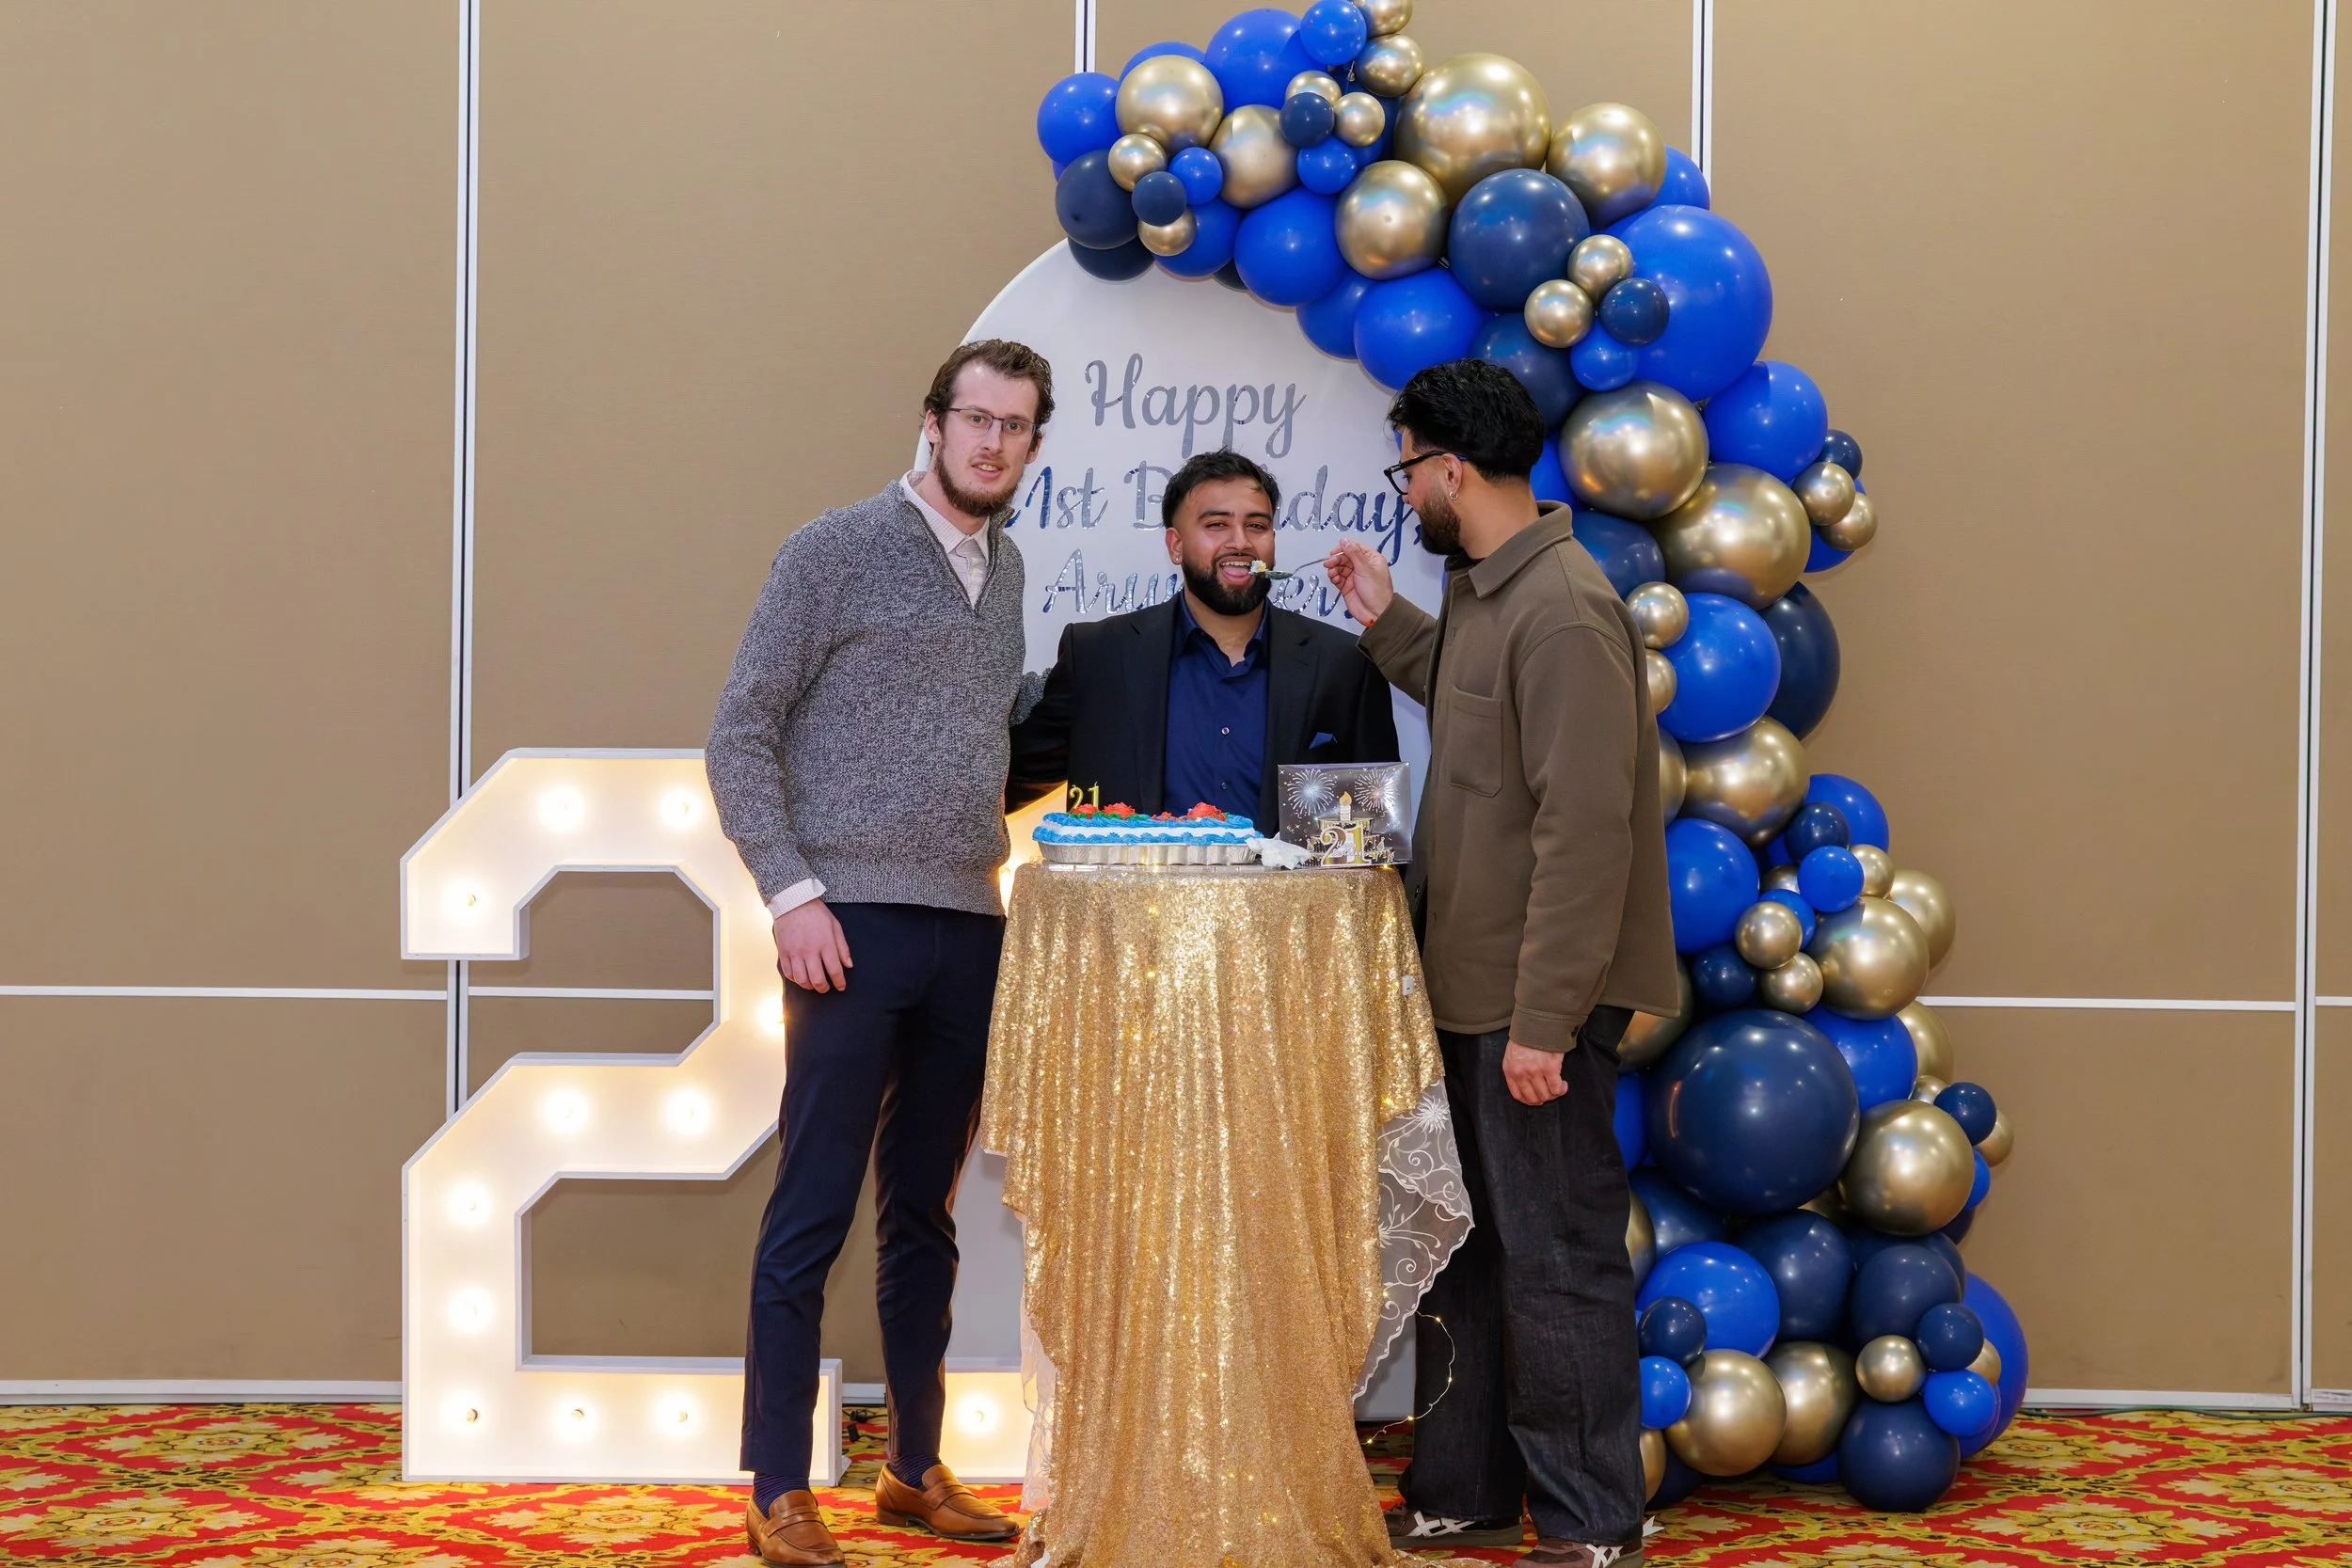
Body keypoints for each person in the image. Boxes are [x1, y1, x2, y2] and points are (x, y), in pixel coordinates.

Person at [1324, 360, 1678, 1568]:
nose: (1405, 489)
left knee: (1557, 1261)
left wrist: (1544, 1021)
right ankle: (1461, 1489)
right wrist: (1385, 617)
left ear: (1448, 469)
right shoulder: (1487, 594)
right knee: (1464, 1259)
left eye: (1406, 466)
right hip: (1470, 991)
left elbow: (1587, 831)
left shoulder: (1566, 607)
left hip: (1534, 1009)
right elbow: (1475, 711)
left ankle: (1589, 1522)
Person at [707, 338, 1054, 1567]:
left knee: (926, 1214)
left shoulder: (1008, 572)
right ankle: (775, 1485)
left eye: (1017, 426)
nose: (994, 442)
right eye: (978, 419)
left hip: (970, 926)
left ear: (1032, 444)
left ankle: (912, 1467)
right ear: (934, 422)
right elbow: (740, 731)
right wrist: (793, 893)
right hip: (845, 927)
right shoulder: (831, 550)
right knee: (809, 1210)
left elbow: (988, 751)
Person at [1009, 449, 1398, 826]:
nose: (1241, 542)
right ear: (1175, 546)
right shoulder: (1099, 657)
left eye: (1257, 525)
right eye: (1216, 525)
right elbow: (1001, 781)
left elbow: (1377, 837)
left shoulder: (1344, 664)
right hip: (1138, 893)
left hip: (1294, 894)